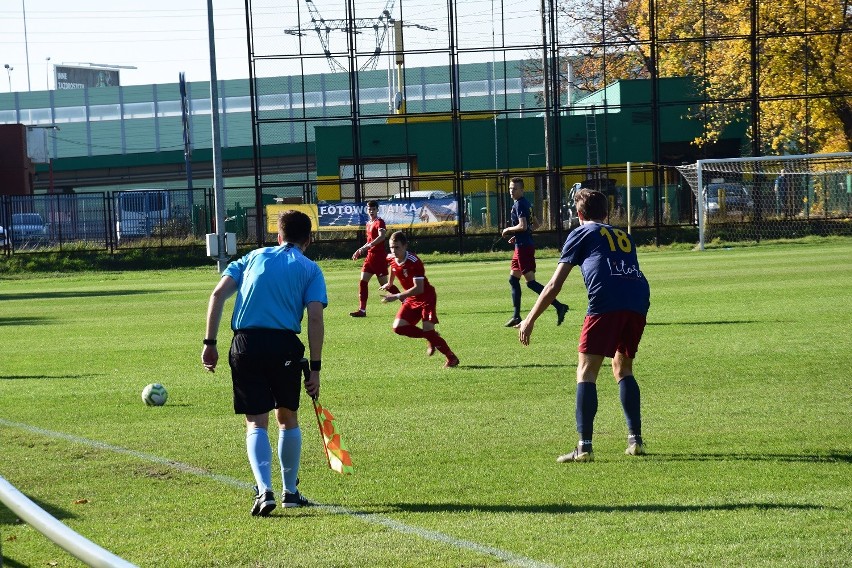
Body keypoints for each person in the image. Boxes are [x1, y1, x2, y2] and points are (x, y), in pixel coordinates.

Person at [202, 210, 327, 516]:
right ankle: (291, 492)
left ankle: (264, 490)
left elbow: (218, 295)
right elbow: (314, 315)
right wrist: (315, 366)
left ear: (278, 236)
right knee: (287, 417)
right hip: (284, 345)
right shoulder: (310, 269)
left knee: (256, 421)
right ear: (308, 240)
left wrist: (210, 344)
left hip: (245, 344)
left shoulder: (252, 257)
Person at [517, 188, 650, 463]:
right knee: (622, 367)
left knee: (586, 371)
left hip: (606, 300)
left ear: (579, 215)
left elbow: (554, 284)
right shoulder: (623, 234)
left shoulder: (581, 232)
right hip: (638, 299)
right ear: (607, 214)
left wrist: (529, 319)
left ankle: (584, 446)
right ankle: (635, 439)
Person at [380, 231, 459, 368]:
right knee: (398, 327)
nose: (394, 251)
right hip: (411, 299)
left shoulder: (414, 262)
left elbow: (419, 288)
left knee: (428, 330)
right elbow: (393, 267)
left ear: (405, 246)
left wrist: (397, 296)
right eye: (391, 247)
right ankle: (431, 337)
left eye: (397, 247)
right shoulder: (391, 257)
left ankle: (451, 358)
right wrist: (390, 283)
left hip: (426, 297)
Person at [502, 177, 569, 328]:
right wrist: (517, 235)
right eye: (510, 188)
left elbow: (523, 225)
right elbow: (536, 224)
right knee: (513, 280)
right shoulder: (526, 203)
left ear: (522, 190)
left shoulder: (520, 204)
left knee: (531, 283)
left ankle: (559, 306)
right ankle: (516, 316)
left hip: (524, 247)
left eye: (515, 189)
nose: (511, 191)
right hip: (521, 244)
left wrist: (508, 230)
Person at [350, 200, 398, 317]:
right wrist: (359, 250)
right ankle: (362, 310)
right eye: (369, 209)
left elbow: (382, 237)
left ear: (377, 210)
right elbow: (368, 241)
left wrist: (368, 246)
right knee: (363, 282)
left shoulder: (379, 222)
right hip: (369, 257)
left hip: (378, 257)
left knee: (386, 285)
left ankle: (406, 300)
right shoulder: (368, 223)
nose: (371, 211)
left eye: (373, 209)